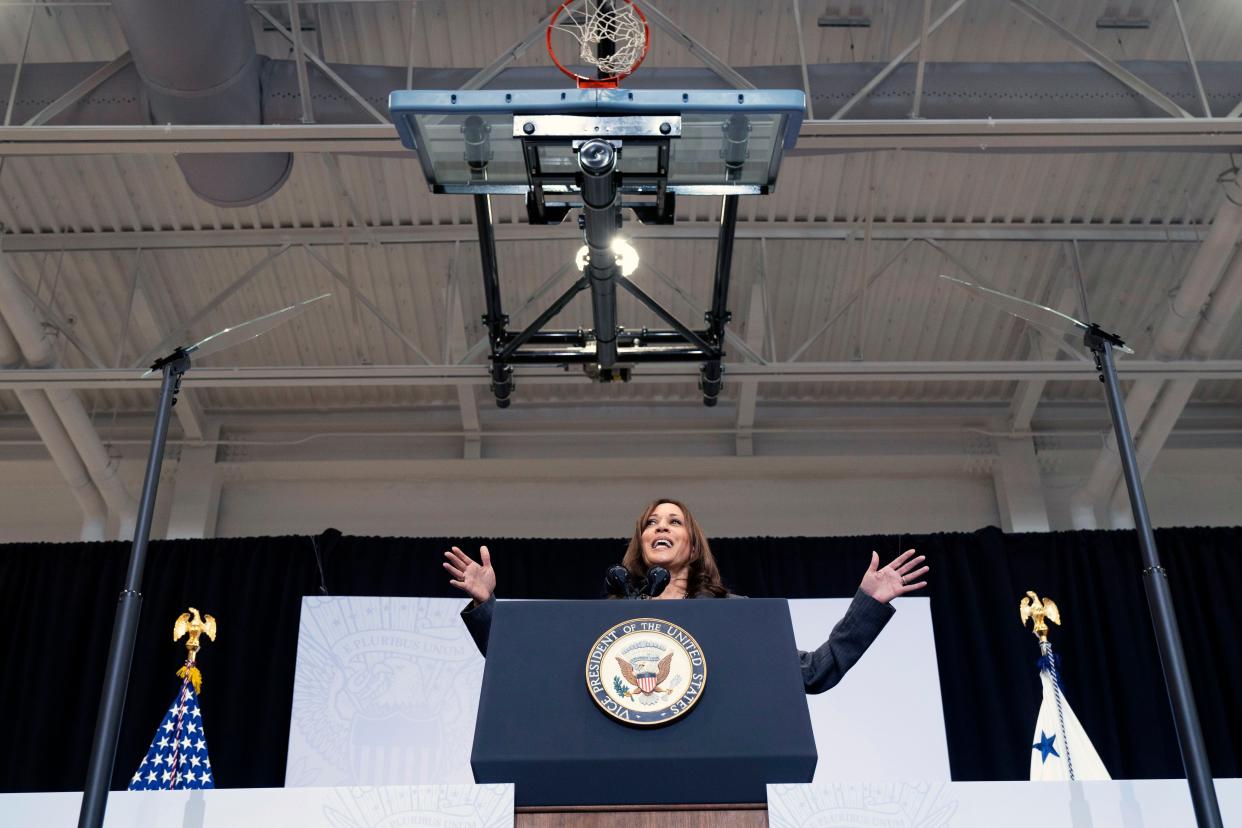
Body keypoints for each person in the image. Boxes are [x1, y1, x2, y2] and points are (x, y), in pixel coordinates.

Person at [443, 498, 929, 694]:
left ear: (692, 544)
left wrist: (868, 603)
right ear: (640, 543)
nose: (661, 526)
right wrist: (488, 608)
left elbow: (813, 674)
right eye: (651, 523)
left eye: (673, 521)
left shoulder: (732, 616)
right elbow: (528, 669)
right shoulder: (607, 618)